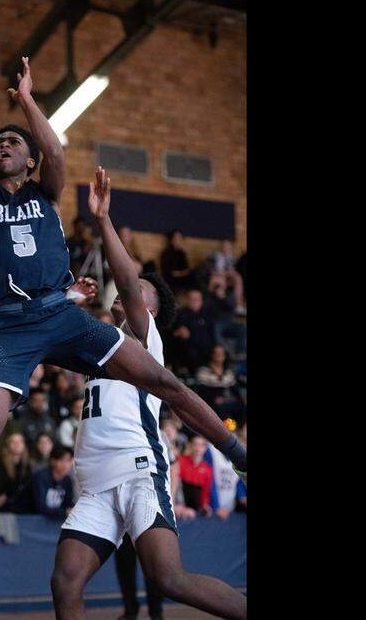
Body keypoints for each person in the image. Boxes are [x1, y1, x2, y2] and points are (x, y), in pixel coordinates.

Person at [0, 59, 247, 614]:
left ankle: (239, 453)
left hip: (63, 315)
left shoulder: (46, 193)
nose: (2, 146)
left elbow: (58, 153)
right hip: (12, 327)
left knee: (165, 380)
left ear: (27, 160)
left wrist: (27, 99)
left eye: (12, 143)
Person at [52, 169, 247, 620]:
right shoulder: (101, 343)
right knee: (65, 581)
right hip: (96, 484)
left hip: (139, 469)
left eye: (136, 291)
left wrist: (103, 222)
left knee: (167, 578)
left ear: (151, 309)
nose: (126, 293)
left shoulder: (144, 337)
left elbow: (127, 282)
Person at [31, 445, 76, 519]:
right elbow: (41, 507)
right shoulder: (41, 478)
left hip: (55, 521)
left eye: (69, 460)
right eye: (62, 460)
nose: (66, 465)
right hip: (32, 519)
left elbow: (68, 503)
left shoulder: (68, 480)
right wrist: (64, 512)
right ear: (52, 461)